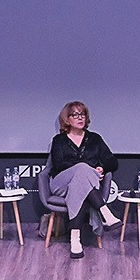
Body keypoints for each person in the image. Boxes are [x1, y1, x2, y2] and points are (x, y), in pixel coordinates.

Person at [47, 101, 121, 259]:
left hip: (82, 186)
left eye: (82, 114)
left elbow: (112, 161)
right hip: (60, 183)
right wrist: (89, 170)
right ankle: (105, 213)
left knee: (80, 187)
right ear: (67, 119)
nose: (80, 118)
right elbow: (59, 165)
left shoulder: (95, 139)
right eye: (75, 115)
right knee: (82, 169)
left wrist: (102, 169)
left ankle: (75, 240)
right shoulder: (59, 140)